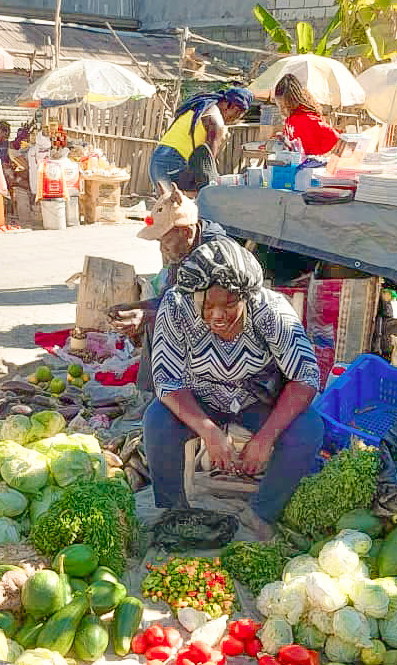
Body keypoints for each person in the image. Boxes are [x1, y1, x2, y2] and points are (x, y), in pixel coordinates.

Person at [143, 237, 323, 539]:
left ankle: (261, 513)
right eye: (207, 305)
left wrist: (265, 438)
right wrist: (209, 432)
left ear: (246, 297)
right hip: (200, 397)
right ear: (194, 297)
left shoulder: (271, 311)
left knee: (308, 429)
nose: (217, 315)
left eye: (229, 305)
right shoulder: (176, 306)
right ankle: (174, 511)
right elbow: (167, 380)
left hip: (258, 398)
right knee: (156, 420)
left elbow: (305, 377)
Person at [110, 183, 225, 390]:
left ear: (187, 233)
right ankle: (150, 392)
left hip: (221, 331)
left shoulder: (215, 254)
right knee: (153, 321)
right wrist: (132, 307)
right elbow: (168, 298)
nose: (163, 250)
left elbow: (204, 311)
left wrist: (147, 316)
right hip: (196, 319)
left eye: (166, 243)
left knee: (158, 323)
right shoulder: (182, 250)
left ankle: (167, 392)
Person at [149, 87, 253, 190]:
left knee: (171, 199)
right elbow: (207, 165)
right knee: (201, 193)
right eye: (237, 115)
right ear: (233, 107)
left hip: (158, 159)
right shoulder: (216, 122)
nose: (234, 119)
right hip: (174, 163)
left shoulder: (201, 107)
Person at [274, 74, 341, 156]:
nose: (281, 111)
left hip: (310, 161)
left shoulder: (308, 119)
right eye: (280, 106)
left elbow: (334, 136)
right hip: (296, 160)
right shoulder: (290, 120)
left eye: (284, 106)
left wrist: (314, 152)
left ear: (292, 103)